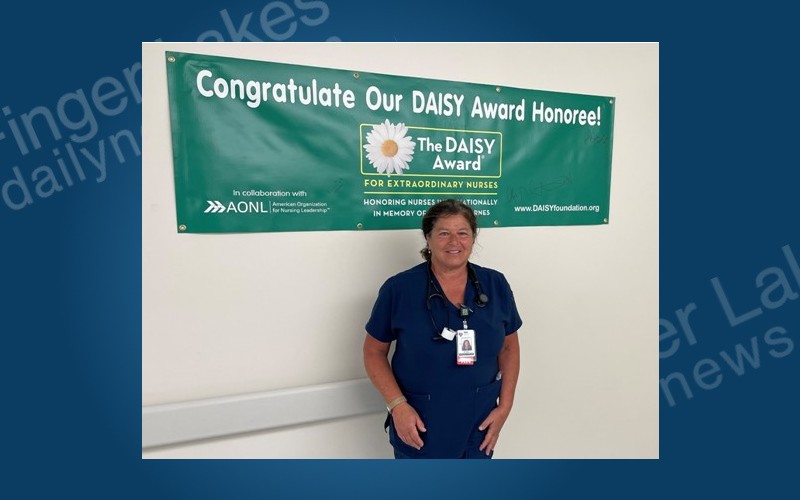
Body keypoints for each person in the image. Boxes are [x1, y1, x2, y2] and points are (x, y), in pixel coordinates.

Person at [363, 199, 522, 459]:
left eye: (463, 233)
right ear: (428, 238)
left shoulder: (495, 284)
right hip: (421, 424)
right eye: (444, 233)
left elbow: (509, 347)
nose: (454, 242)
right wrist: (397, 406)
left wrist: (505, 407)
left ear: (473, 237)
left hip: (480, 423)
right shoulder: (399, 289)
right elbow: (373, 352)